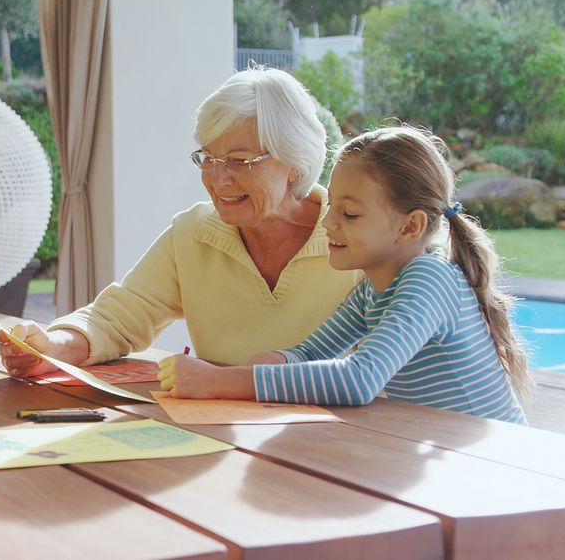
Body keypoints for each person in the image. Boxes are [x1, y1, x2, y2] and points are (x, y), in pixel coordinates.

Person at [0, 67, 359, 378]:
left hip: (343, 441)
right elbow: (117, 318)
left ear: (295, 160)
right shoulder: (193, 234)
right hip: (223, 437)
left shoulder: (357, 238)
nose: (218, 179)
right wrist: (50, 348)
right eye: (209, 158)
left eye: (239, 161)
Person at [157, 126, 530, 424]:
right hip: (455, 466)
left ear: (410, 226)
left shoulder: (430, 279)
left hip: (502, 474)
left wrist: (218, 382)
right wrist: (251, 368)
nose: (328, 222)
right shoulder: (374, 291)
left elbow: (359, 379)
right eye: (332, 206)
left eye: (349, 214)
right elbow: (309, 353)